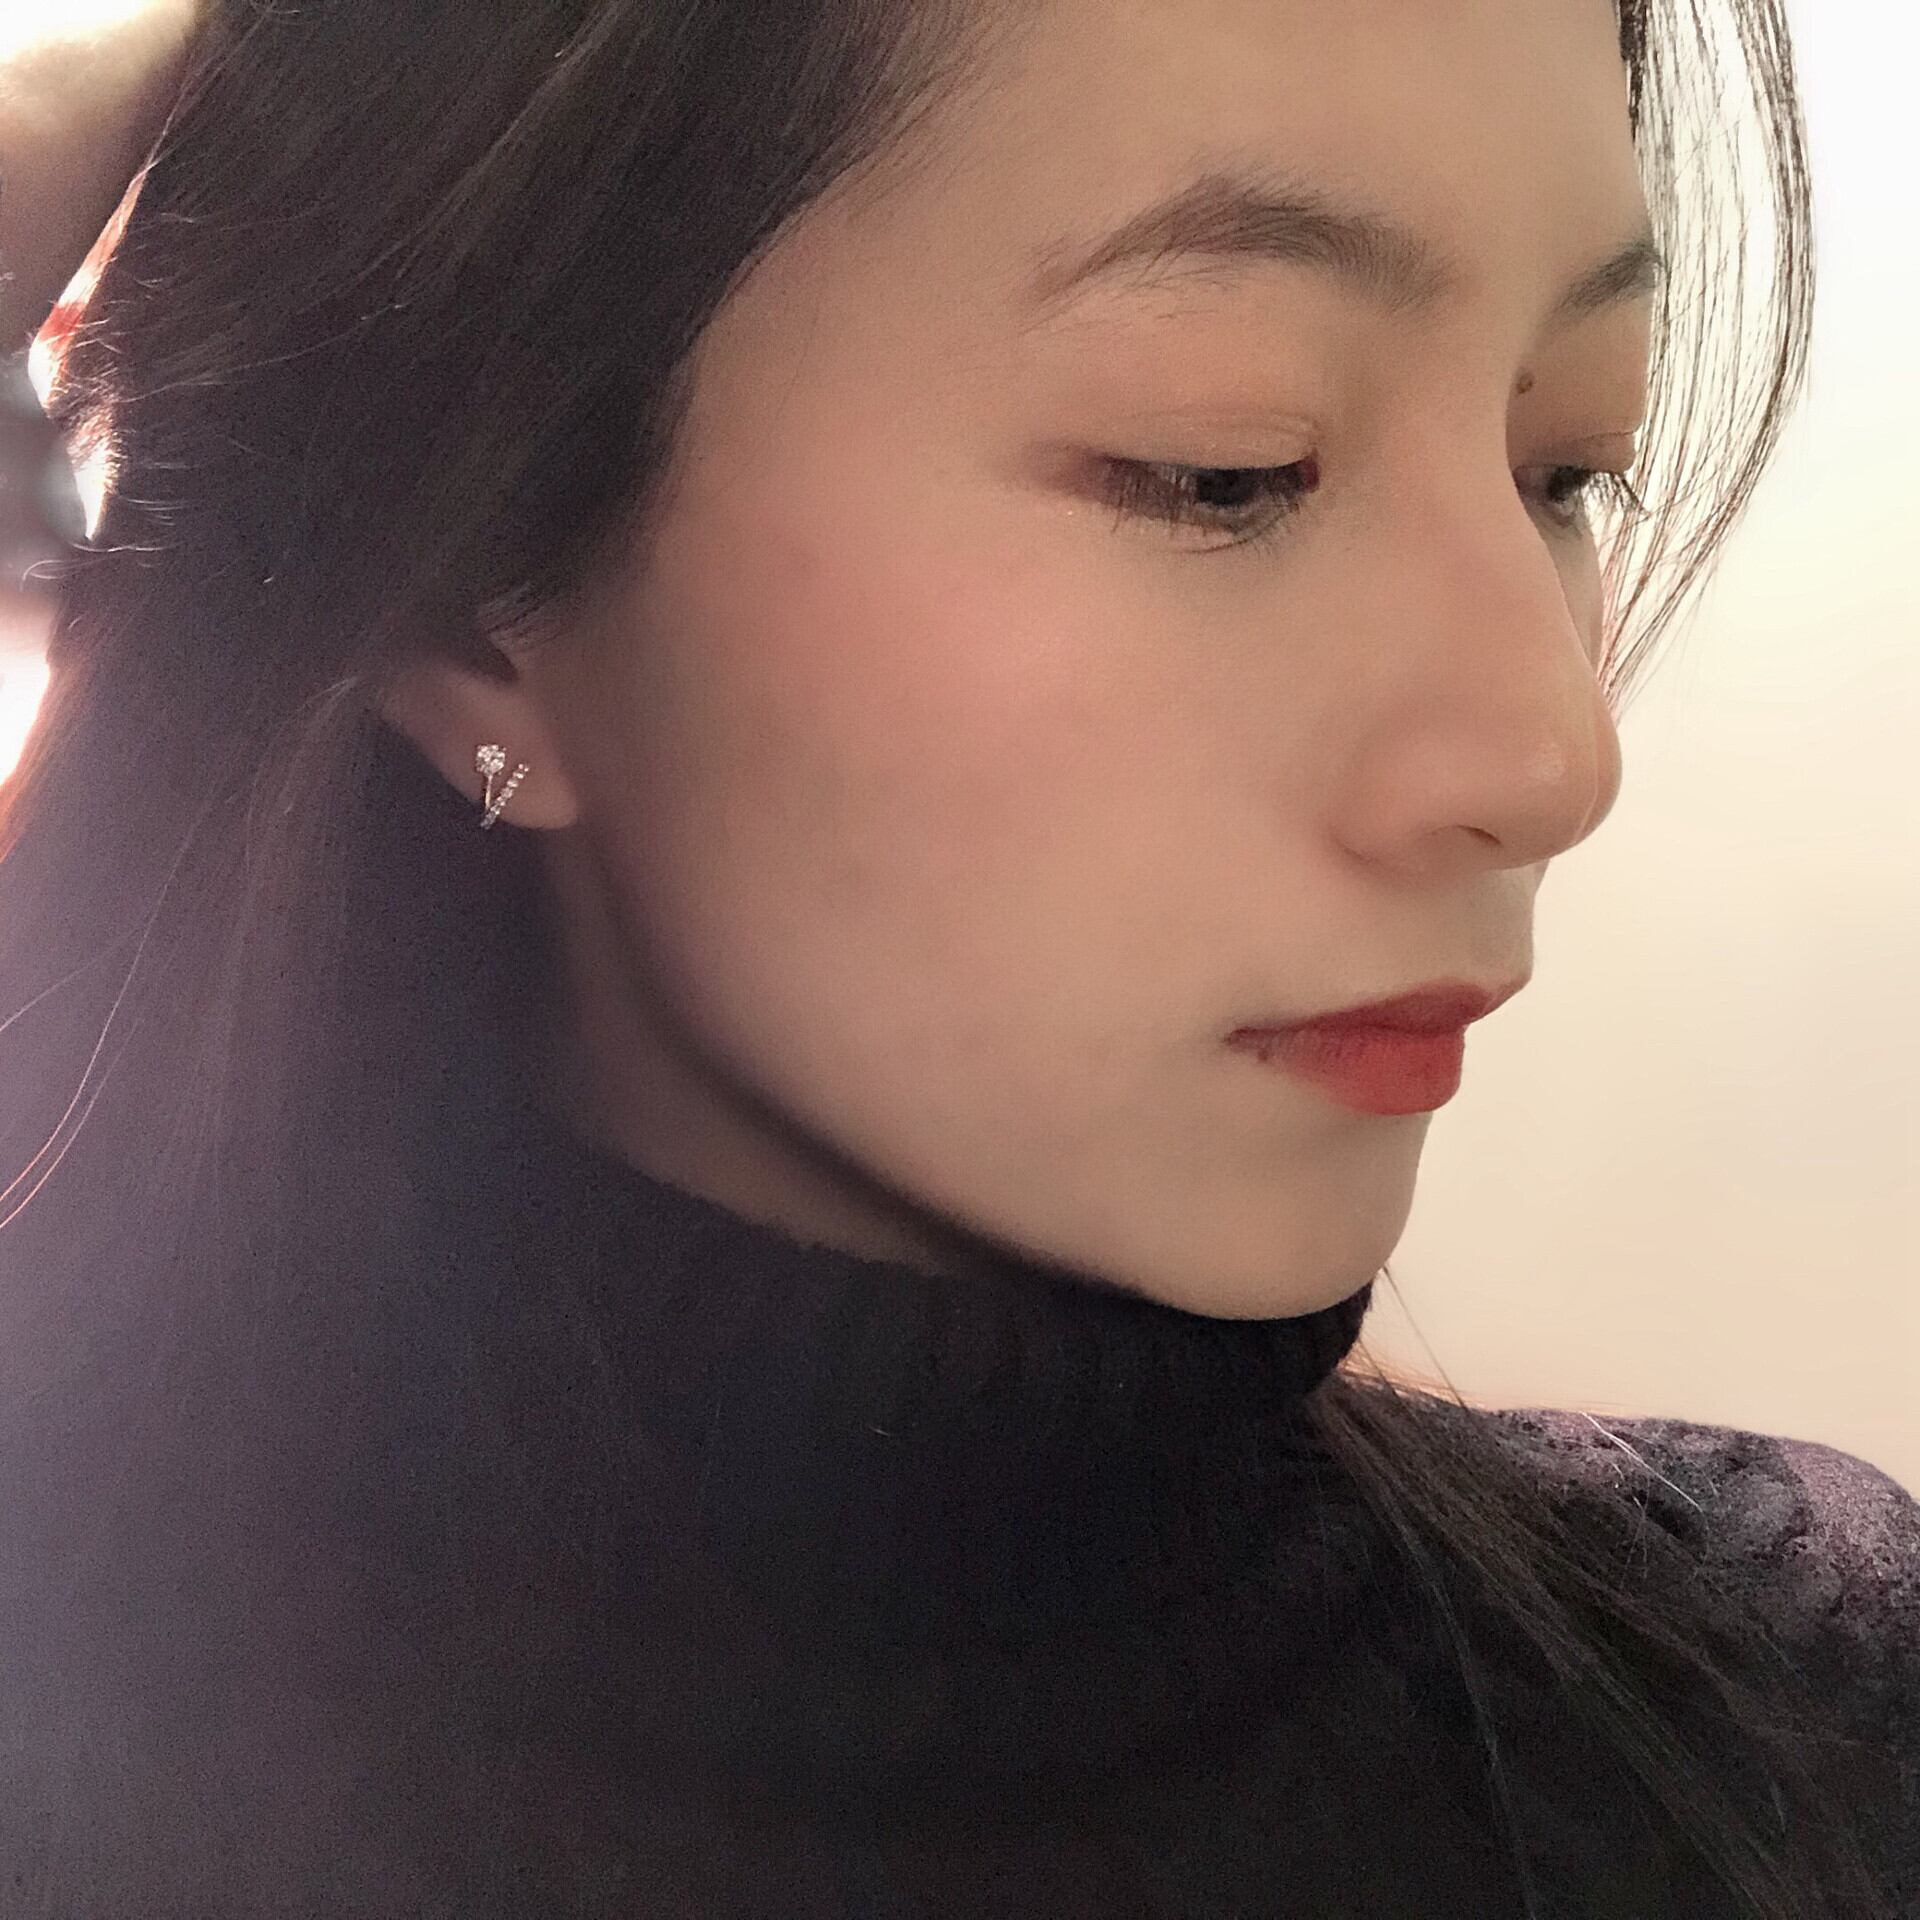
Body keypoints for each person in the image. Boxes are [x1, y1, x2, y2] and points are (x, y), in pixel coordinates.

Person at [0, 1, 1912, 1913]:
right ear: (476, 614)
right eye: (1225, 468)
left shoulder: (1815, 1728)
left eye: (1567, 466)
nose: (1554, 760)